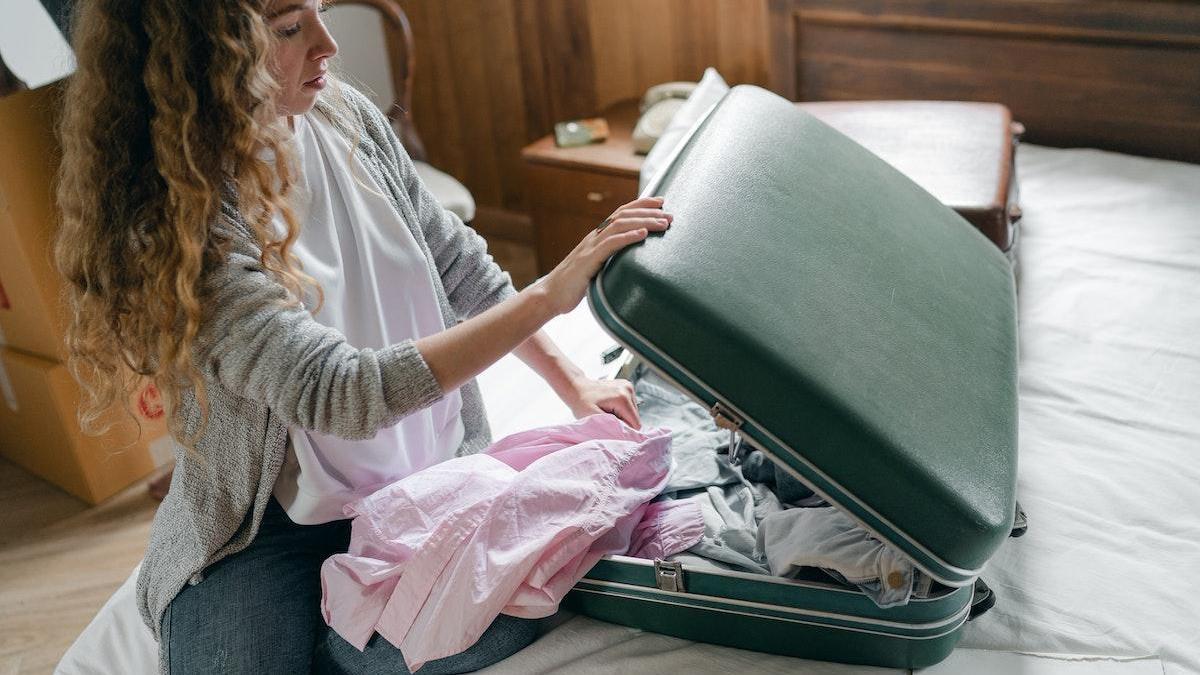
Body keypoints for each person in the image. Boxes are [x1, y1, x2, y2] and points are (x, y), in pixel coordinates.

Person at [53, 0, 672, 672]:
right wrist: (550, 294)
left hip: (420, 479)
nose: (327, 46)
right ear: (202, 56)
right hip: (267, 532)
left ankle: (344, 638)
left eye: (321, 12)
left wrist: (572, 382)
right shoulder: (178, 218)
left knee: (446, 639)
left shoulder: (346, 117)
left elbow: (457, 263)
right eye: (291, 28)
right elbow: (338, 391)